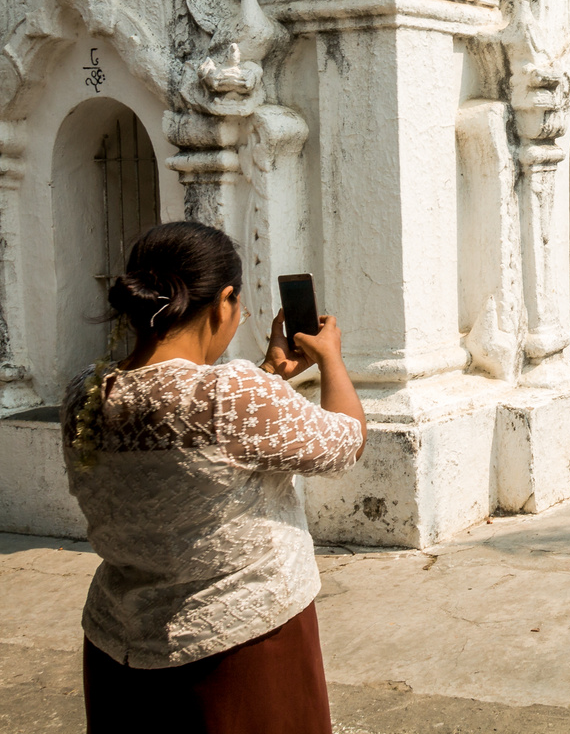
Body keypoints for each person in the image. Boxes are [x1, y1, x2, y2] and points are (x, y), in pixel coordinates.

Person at [61, 221, 366, 734]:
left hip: (122, 646)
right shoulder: (229, 394)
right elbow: (344, 442)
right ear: (224, 301)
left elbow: (191, 429)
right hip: (242, 645)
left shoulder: (86, 394)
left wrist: (269, 373)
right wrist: (331, 360)